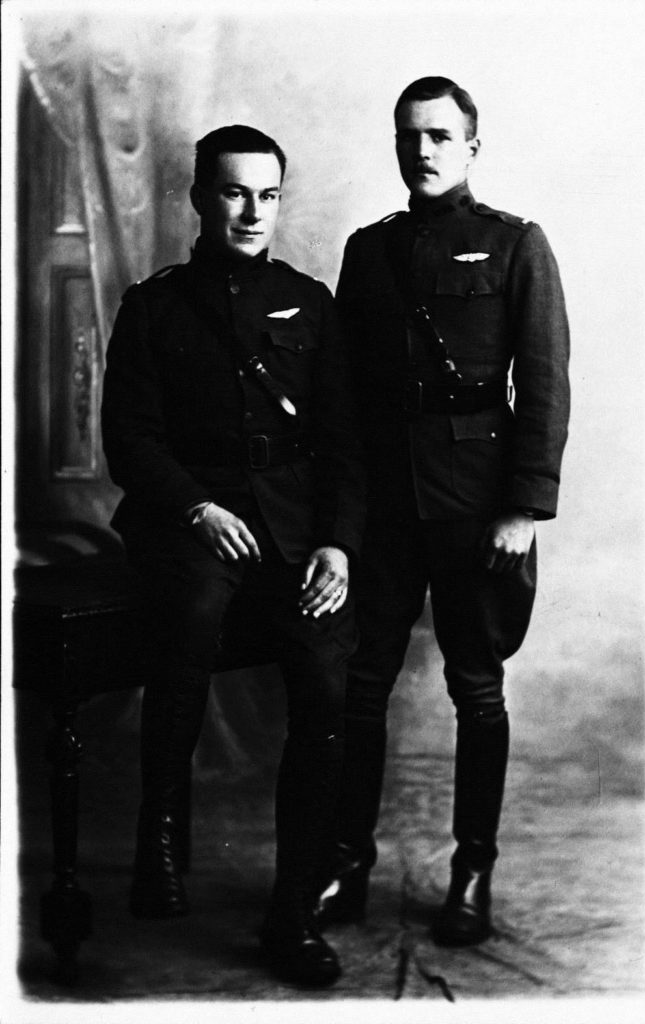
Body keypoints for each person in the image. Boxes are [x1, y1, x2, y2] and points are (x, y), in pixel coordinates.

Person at [101, 124, 365, 987]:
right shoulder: (157, 305)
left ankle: (292, 913)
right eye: (233, 192)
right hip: (192, 518)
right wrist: (196, 507)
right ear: (199, 198)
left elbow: (342, 442)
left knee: (328, 677)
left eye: (268, 194)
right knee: (193, 614)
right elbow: (130, 440)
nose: (253, 211)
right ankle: (162, 834)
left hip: (291, 525)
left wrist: (334, 543)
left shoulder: (309, 302)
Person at [317, 77, 570, 946]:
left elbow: (541, 382)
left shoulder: (513, 245)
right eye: (408, 135)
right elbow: (344, 398)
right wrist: (341, 524)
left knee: (476, 689)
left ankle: (472, 870)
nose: (420, 150)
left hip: (474, 504)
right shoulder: (368, 251)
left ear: (470, 147)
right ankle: (347, 862)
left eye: (438, 136)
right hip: (383, 504)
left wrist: (524, 507)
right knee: (360, 686)